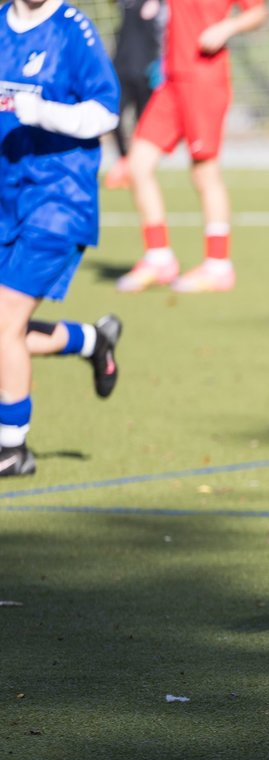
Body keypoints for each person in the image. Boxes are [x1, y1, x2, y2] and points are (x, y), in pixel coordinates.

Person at [1, 0, 123, 477]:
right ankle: (92, 341)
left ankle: (13, 448)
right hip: (7, 199)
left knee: (5, 321)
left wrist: (43, 113)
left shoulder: (72, 30)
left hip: (59, 200)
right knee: (6, 330)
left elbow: (106, 113)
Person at [115, 0, 266, 294]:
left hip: (203, 79)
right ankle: (159, 258)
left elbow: (258, 13)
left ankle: (218, 266)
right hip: (170, 80)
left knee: (204, 172)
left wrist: (226, 28)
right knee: (137, 165)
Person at [103, 0, 165, 189]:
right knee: (113, 116)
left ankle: (137, 167)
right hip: (121, 70)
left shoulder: (160, 5)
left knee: (143, 123)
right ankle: (124, 160)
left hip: (146, 73)